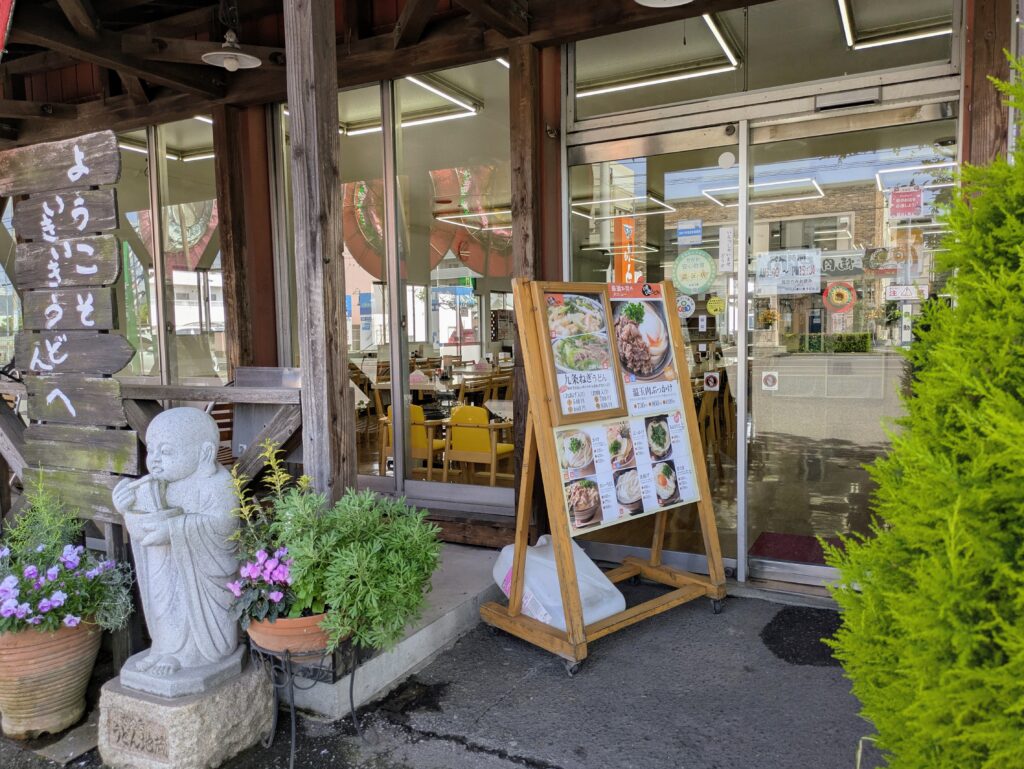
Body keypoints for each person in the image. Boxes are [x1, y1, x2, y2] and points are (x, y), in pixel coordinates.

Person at [113, 407, 239, 688]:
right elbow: (140, 526)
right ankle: (164, 648)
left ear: (205, 453)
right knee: (164, 597)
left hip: (204, 582)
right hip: (167, 570)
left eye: (166, 452)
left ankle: (189, 654)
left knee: (184, 601)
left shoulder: (217, 484)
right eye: (152, 450)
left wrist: (174, 529)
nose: (155, 460)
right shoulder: (157, 486)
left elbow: (225, 527)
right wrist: (126, 508)